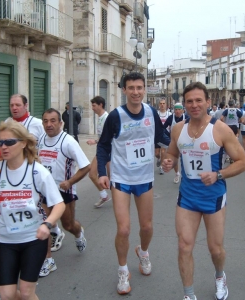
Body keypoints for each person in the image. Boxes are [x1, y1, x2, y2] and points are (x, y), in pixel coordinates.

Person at [161, 82, 245, 300]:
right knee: (184, 245)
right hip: (187, 197)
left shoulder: (220, 129)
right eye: (189, 101)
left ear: (208, 102)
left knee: (215, 249)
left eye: (199, 100)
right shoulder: (178, 129)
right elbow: (171, 154)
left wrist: (218, 174)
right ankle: (189, 294)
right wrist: (168, 162)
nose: (194, 105)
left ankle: (220, 276)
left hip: (213, 197)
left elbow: (242, 162)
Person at [97, 72, 170, 295]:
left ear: (144, 89)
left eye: (140, 87)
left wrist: (176, 151)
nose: (136, 92)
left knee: (146, 227)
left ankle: (144, 252)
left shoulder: (150, 113)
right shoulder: (116, 116)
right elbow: (103, 147)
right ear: (124, 90)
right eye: (131, 88)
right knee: (125, 228)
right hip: (121, 178)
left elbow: (163, 136)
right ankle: (122, 270)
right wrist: (102, 172)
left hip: (145, 178)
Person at [0, 120, 65, 300]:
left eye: (9, 142)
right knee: (7, 294)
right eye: (0, 143)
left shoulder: (37, 171)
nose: (4, 147)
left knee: (26, 292)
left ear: (23, 143)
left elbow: (59, 204)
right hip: (7, 240)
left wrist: (47, 224)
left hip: (33, 238)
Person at [38, 108, 91, 277]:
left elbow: (86, 166)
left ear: (61, 123)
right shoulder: (40, 139)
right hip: (45, 191)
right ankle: (48, 260)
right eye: (46, 121)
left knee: (68, 225)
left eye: (53, 121)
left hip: (63, 191)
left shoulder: (68, 142)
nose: (49, 124)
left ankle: (78, 232)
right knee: (43, 222)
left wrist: (70, 182)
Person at [86, 96, 112, 208]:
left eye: (94, 105)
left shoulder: (107, 118)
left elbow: (110, 137)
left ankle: (120, 200)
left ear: (101, 105)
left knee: (112, 179)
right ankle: (104, 195)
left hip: (110, 151)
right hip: (101, 151)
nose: (92, 108)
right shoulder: (100, 118)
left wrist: (95, 140)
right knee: (92, 174)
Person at [163, 102, 189, 183]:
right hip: (174, 141)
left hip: (186, 141)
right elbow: (163, 128)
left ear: (182, 110)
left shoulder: (187, 117)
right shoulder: (171, 118)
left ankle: (187, 174)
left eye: (179, 109)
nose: (177, 111)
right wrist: (169, 135)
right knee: (174, 156)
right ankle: (177, 173)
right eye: (176, 109)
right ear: (174, 110)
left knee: (185, 158)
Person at [155, 98, 172, 171]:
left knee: (163, 151)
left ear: (166, 105)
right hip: (157, 135)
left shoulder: (169, 114)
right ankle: (158, 158)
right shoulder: (156, 114)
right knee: (157, 153)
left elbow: (172, 125)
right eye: (161, 103)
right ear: (159, 105)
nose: (162, 105)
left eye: (163, 103)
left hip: (165, 135)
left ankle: (161, 167)